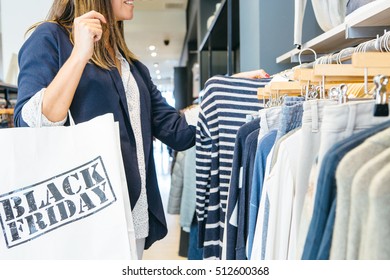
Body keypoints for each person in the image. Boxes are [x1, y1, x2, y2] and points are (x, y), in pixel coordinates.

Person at [14, 0, 269, 259]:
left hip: (130, 215)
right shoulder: (50, 37)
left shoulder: (132, 67)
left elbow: (177, 129)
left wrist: (227, 90)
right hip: (81, 216)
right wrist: (80, 54)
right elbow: (31, 123)